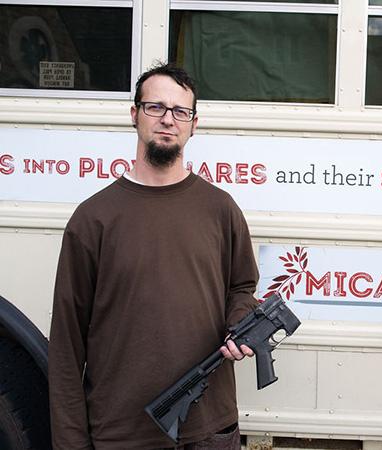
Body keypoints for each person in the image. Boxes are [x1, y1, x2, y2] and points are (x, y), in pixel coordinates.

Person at [49, 63, 259, 449]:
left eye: (181, 111)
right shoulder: (93, 218)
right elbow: (66, 344)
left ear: (194, 124)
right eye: (155, 107)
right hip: (123, 433)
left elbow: (242, 286)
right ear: (135, 115)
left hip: (209, 430)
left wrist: (240, 322)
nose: (168, 119)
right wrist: (70, 440)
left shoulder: (220, 208)